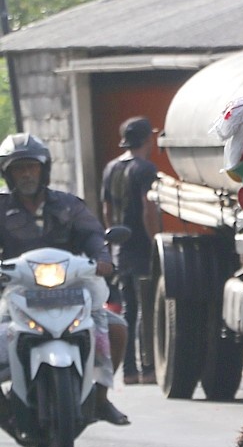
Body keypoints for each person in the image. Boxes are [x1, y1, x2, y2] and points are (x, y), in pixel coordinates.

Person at [0, 132, 129, 425]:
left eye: (31, 166)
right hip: (16, 293)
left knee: (117, 328)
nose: (26, 174)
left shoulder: (69, 205)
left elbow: (94, 235)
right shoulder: (1, 208)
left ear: (44, 169)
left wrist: (104, 259)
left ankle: (100, 398)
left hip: (72, 289)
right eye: (19, 168)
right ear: (8, 173)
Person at [100, 116, 159, 385]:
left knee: (128, 310)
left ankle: (129, 371)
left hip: (121, 248)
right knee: (147, 309)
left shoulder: (110, 168)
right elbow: (147, 207)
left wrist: (114, 239)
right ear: (147, 139)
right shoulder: (145, 169)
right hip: (142, 247)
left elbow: (107, 210)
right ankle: (149, 369)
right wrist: (154, 240)